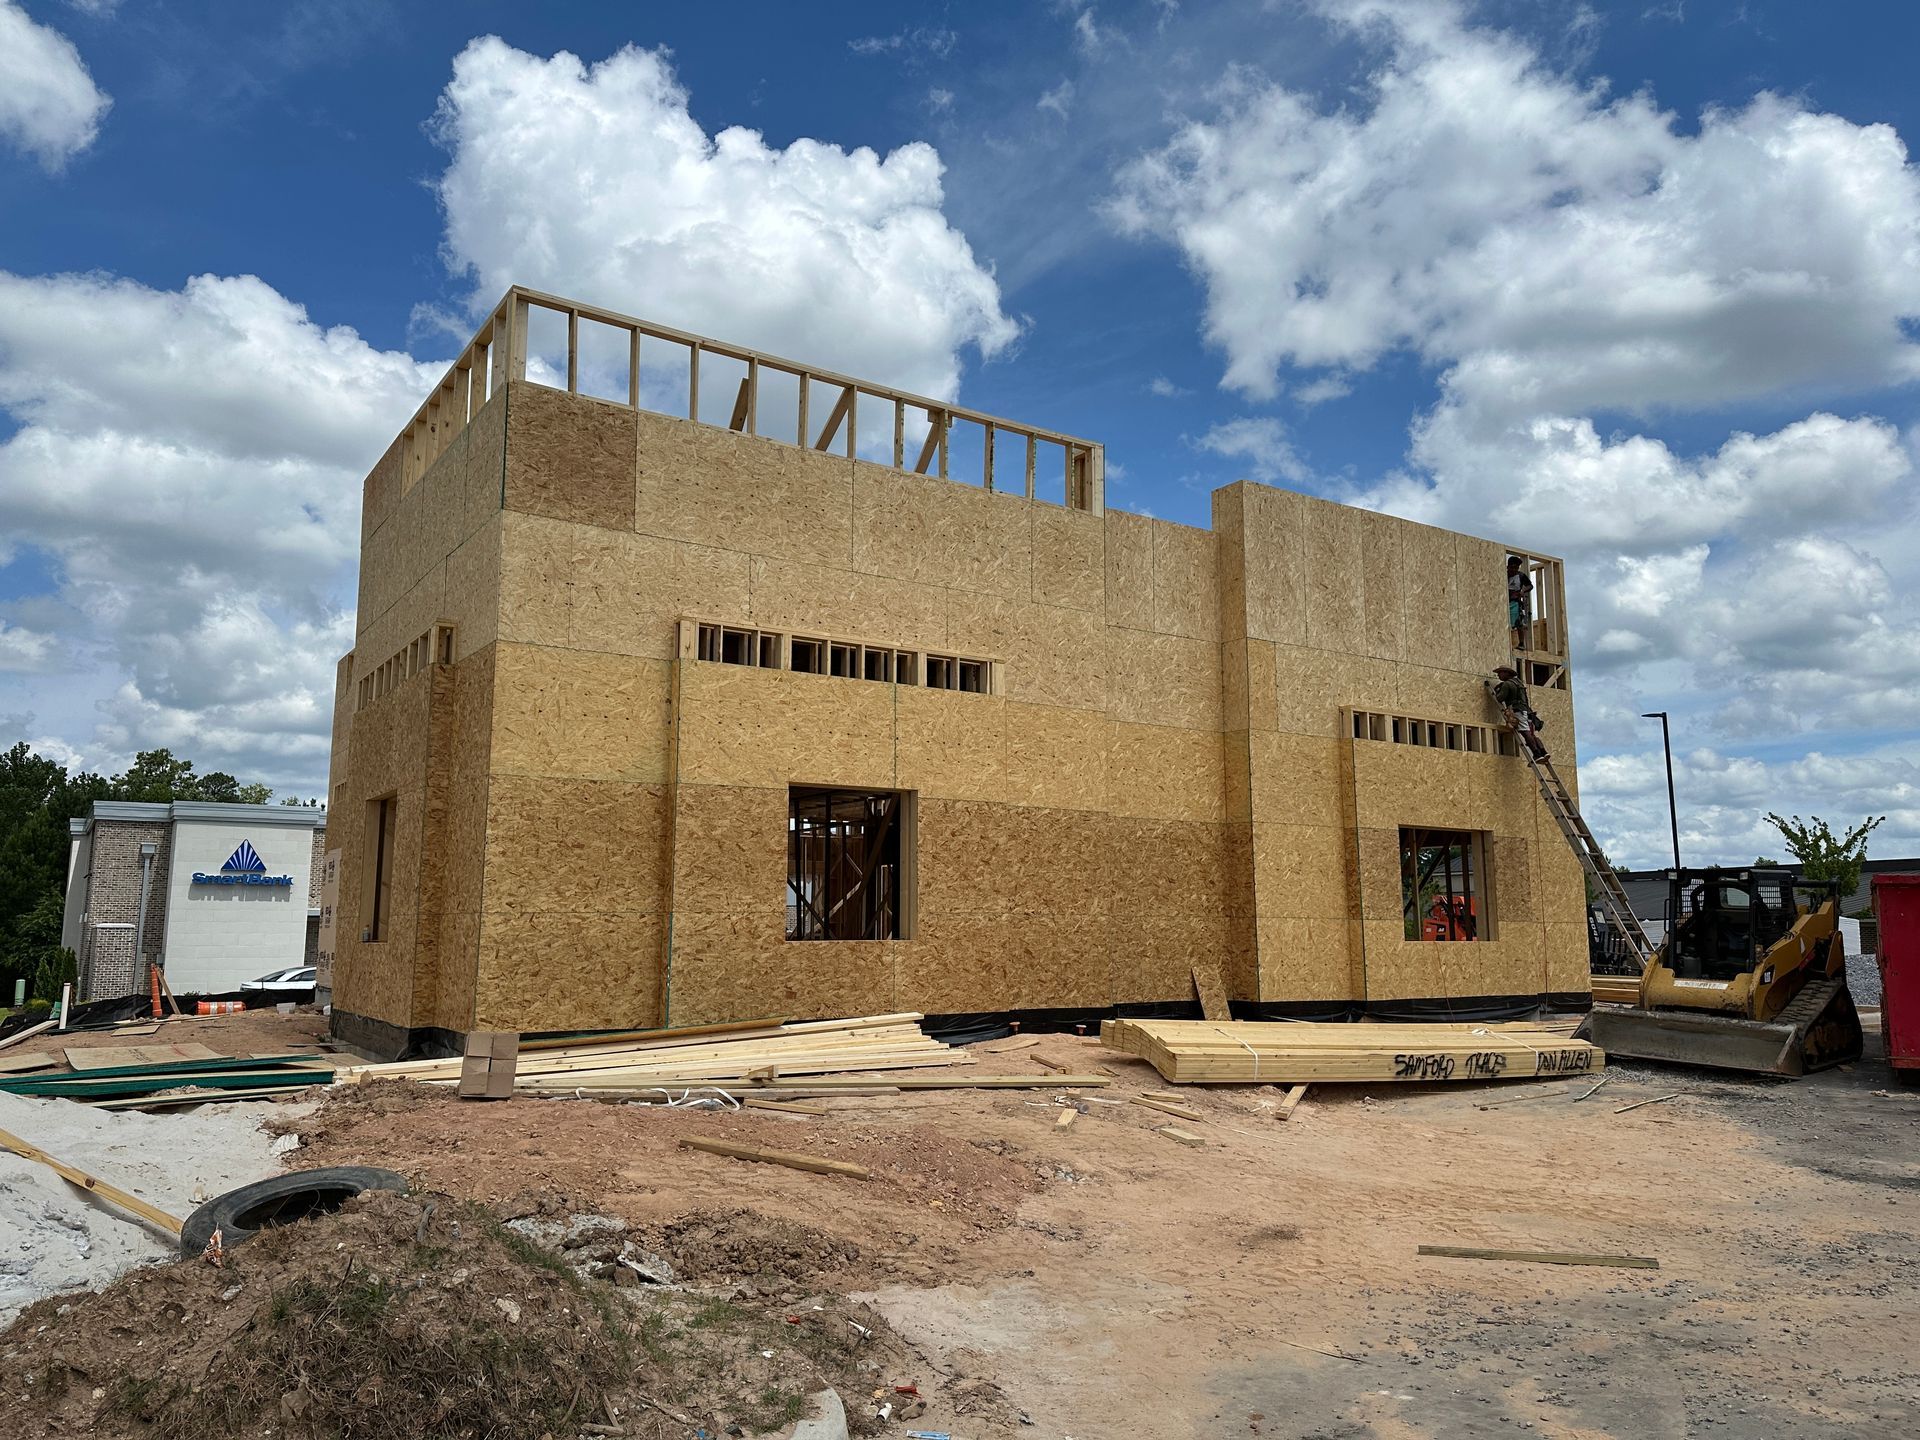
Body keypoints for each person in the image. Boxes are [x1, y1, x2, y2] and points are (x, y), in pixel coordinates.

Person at [1490, 665, 1548, 760]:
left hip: (1517, 711)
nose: (1498, 675)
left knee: (1525, 733)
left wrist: (1498, 691)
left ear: (1507, 673)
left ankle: (1536, 754)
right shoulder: (1519, 683)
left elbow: (1500, 698)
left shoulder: (1507, 684)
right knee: (1532, 734)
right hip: (1527, 711)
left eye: (1500, 673)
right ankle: (1543, 752)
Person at [1507, 555, 1534, 651]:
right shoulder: (1504, 575)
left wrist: (1522, 591)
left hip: (1515, 602)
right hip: (1504, 601)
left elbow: (1530, 586)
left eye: (1516, 568)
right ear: (1508, 566)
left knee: (1518, 622)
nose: (1514, 570)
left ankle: (1521, 643)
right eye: (1512, 567)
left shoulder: (1521, 576)